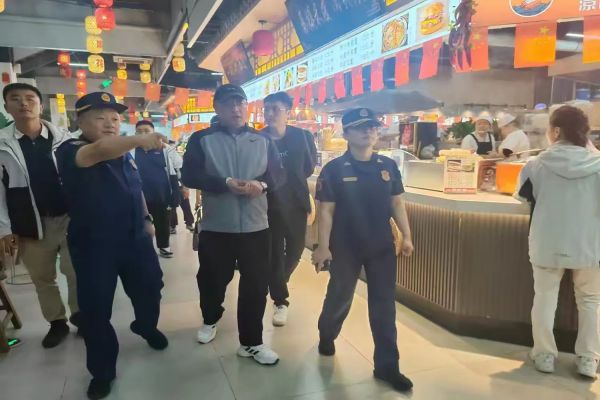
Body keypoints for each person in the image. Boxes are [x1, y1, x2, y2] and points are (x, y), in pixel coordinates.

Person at [55, 92, 168, 399]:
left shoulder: (123, 153)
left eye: (115, 118)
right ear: (80, 121)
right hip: (94, 245)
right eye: (100, 117)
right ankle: (102, 372)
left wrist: (146, 217)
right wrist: (141, 139)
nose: (110, 124)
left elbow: (135, 187)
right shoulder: (71, 150)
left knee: (151, 287)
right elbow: (101, 149)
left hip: (135, 238)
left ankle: (145, 325)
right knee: (96, 310)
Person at [312, 108, 414, 393]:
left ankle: (387, 366)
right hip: (345, 246)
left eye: (372, 126)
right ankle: (327, 334)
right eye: (360, 127)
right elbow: (326, 211)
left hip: (381, 245)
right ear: (346, 134)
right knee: (340, 296)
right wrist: (323, 247)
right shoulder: (334, 169)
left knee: (384, 305)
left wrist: (406, 236)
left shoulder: (387, 165)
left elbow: (397, 203)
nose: (368, 131)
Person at [181, 84, 284, 365]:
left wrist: (262, 185)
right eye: (228, 104)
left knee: (256, 285)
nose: (236, 109)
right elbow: (189, 175)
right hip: (217, 227)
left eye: (241, 103)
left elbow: (278, 176)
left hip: (256, 226)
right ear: (217, 108)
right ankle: (210, 318)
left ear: (247, 107)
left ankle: (251, 342)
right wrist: (224, 183)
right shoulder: (201, 139)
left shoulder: (263, 140)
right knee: (212, 280)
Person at [516, 105, 600, 380]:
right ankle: (588, 359)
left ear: (554, 131)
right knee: (590, 300)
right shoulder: (598, 164)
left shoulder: (535, 164)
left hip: (547, 240)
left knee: (545, 297)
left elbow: (522, 198)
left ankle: (544, 355)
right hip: (589, 242)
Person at [0, 83, 80, 348]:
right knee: (43, 278)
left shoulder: (64, 139)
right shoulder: (2, 144)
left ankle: (81, 317)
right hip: (29, 223)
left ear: (41, 105)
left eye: (30, 98)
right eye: (15, 99)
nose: (24, 103)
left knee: (76, 271)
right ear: (6, 106)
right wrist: (5, 229)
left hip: (69, 218)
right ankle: (57, 322)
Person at [261, 92, 317, 327]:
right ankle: (280, 301)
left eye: (275, 109)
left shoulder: (302, 137)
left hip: (295, 203)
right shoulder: (258, 138)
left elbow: (309, 166)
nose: (270, 113)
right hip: (268, 204)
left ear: (288, 112)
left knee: (295, 250)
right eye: (266, 109)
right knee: (274, 253)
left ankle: (276, 281)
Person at [133, 120, 180, 258]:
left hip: (161, 193)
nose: (143, 134)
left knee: (162, 222)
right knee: (139, 222)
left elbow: (177, 166)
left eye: (146, 131)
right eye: (139, 131)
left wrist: (179, 190)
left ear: (153, 132)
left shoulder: (164, 149)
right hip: (139, 195)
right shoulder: (132, 150)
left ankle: (164, 246)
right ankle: (141, 248)